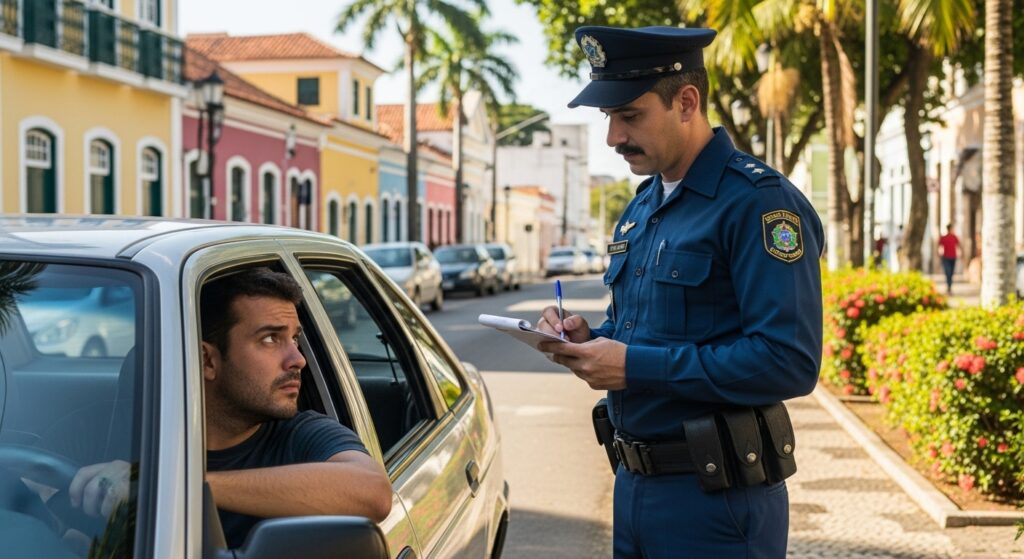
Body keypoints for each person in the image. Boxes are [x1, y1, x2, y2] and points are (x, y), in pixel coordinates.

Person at [536, 26, 824, 558]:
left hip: (717, 504)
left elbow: (789, 360)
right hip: (634, 487)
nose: (613, 137)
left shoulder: (758, 203)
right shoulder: (642, 205)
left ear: (686, 102)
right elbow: (646, 330)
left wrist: (634, 366)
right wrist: (588, 339)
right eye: (609, 118)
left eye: (630, 116)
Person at [70, 267, 392, 548]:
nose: (298, 359)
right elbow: (39, 485)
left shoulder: (301, 435)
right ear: (207, 360)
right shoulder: (103, 428)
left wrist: (174, 486)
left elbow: (373, 492)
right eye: (270, 339)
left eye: (294, 339)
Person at [938, 224, 961, 294]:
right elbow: (939, 246)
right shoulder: (943, 237)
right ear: (948, 229)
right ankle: (949, 287)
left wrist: (959, 253)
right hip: (946, 257)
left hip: (953, 257)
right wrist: (939, 253)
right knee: (948, 272)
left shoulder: (954, 237)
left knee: (951, 272)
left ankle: (949, 286)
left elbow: (958, 245)